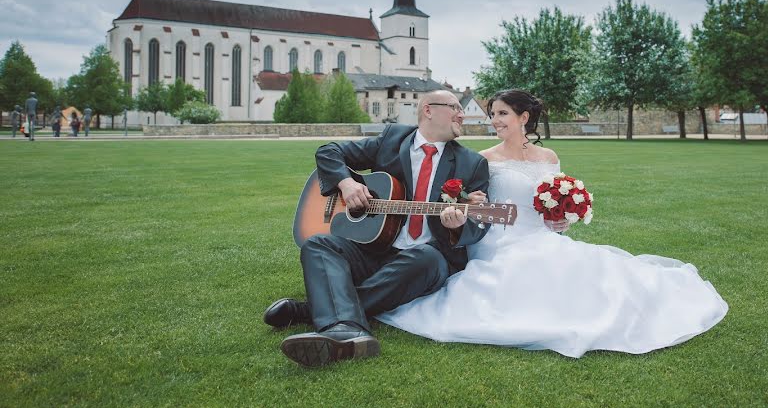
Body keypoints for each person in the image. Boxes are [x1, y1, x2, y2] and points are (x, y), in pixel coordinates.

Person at [377, 89, 728, 357]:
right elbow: (473, 206)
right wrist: (467, 206)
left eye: (501, 114)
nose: (494, 120)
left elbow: (552, 204)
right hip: (497, 240)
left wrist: (563, 219)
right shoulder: (482, 159)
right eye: (492, 115)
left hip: (541, 235)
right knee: (529, 271)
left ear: (523, 117)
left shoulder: (549, 157)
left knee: (581, 269)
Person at [265, 90, 492, 367]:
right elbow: (328, 152)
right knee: (318, 244)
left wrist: (457, 227)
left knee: (426, 258)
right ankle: (345, 325)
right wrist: (346, 184)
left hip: (424, 259)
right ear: (429, 110)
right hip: (375, 249)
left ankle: (319, 313)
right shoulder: (392, 139)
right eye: (455, 107)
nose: (462, 113)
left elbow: (479, 223)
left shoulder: (472, 163)